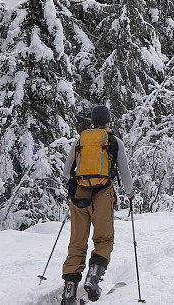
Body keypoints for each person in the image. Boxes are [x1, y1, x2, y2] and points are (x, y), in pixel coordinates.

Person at [60, 105, 134, 304]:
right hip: (102, 196)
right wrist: (130, 193)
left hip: (79, 197)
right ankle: (93, 276)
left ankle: (69, 291)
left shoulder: (80, 141)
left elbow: (67, 172)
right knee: (103, 239)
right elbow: (125, 173)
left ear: (92, 122)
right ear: (108, 122)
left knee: (77, 243)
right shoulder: (114, 141)